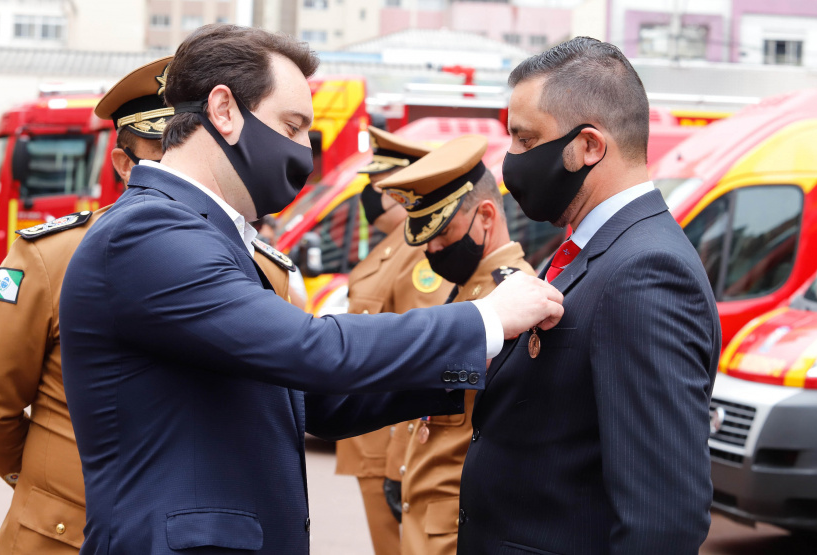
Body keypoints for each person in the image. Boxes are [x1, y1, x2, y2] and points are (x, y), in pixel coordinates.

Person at [58, 24, 562, 555]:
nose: (303, 150)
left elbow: (312, 400)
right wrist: (485, 319)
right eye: (292, 126)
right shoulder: (151, 233)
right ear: (224, 111)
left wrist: (488, 358)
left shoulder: (207, 234)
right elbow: (312, 350)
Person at [456, 37, 721, 555]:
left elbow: (662, 518)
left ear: (589, 146)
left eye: (525, 139)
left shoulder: (647, 271)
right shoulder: (592, 248)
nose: (510, 160)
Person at [0, 57, 168, 554]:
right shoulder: (50, 255)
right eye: (162, 154)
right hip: (65, 536)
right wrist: (49, 479)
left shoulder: (260, 267)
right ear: (124, 165)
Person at [376, 134, 534, 555]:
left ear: (486, 217)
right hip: (429, 522)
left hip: (457, 533)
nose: (432, 249)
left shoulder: (516, 300)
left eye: (443, 233)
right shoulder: (468, 290)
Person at [334, 126, 452, 555]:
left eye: (377, 186)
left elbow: (426, 355)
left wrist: (400, 462)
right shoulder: (388, 249)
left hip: (393, 448)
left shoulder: (419, 254)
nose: (369, 197)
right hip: (372, 440)